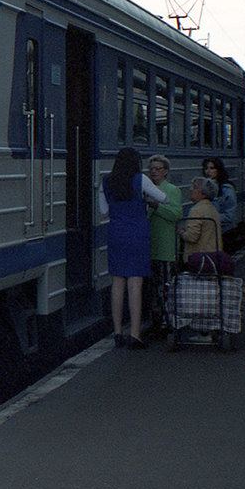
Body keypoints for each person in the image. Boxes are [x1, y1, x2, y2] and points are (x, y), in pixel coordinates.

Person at [99, 147, 168, 349]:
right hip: (137, 234)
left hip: (116, 234)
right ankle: (135, 334)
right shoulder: (141, 180)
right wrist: (146, 199)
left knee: (117, 283)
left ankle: (118, 332)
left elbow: (104, 212)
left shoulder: (106, 181)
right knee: (135, 284)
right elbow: (164, 198)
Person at [145, 154, 183, 332]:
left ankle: (167, 322)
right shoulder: (145, 189)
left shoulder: (172, 190)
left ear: (166, 171)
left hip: (166, 247)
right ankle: (156, 320)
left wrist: (157, 206)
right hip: (150, 246)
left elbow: (176, 214)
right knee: (153, 288)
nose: (154, 172)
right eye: (151, 169)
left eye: (158, 169)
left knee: (166, 288)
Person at [180, 177, 221, 254]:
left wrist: (182, 232)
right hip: (213, 254)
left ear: (204, 194)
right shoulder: (211, 208)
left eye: (195, 187)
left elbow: (192, 237)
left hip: (198, 257)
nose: (190, 189)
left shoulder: (197, 210)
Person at [202, 157, 237, 234]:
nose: (208, 171)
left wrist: (208, 218)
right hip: (210, 231)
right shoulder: (204, 188)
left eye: (212, 168)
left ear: (218, 170)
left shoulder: (226, 189)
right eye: (206, 168)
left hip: (225, 231)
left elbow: (229, 216)